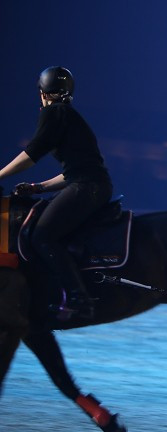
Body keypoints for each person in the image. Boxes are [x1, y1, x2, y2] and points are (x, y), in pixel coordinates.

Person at [0, 66, 113, 319]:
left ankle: (77, 298)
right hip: (90, 184)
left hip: (87, 187)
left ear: (42, 93)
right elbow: (73, 171)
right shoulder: (70, 116)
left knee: (42, 236)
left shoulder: (53, 112)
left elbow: (31, 155)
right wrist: (38, 187)